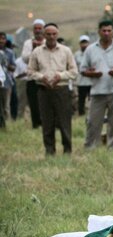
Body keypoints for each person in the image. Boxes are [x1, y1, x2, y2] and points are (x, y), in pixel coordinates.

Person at [81, 20, 113, 150]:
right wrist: (92, 73)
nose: (106, 33)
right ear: (99, 31)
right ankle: (90, 148)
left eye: (109, 31)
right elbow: (83, 70)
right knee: (93, 122)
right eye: (104, 30)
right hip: (97, 91)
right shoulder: (90, 50)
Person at [28, 23, 78, 155]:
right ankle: (49, 151)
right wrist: (41, 77)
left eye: (54, 34)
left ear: (58, 34)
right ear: (44, 35)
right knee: (47, 122)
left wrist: (60, 76)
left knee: (64, 121)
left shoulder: (66, 51)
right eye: (48, 34)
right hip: (44, 90)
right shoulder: (37, 52)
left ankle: (67, 151)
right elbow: (30, 71)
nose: (51, 37)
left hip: (61, 89)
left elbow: (73, 71)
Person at [22, 19, 45, 128]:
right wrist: (34, 49)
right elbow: (25, 59)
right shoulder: (28, 43)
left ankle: (46, 123)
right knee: (33, 102)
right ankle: (36, 124)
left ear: (43, 29)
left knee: (46, 101)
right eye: (35, 28)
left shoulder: (47, 41)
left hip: (45, 78)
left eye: (40, 28)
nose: (37, 30)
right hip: (32, 78)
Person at [74, 35, 92, 116]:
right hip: (81, 81)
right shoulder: (76, 55)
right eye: (82, 43)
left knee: (93, 99)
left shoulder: (92, 53)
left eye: (86, 42)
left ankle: (93, 113)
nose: (84, 45)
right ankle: (81, 113)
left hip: (91, 81)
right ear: (80, 44)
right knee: (81, 99)